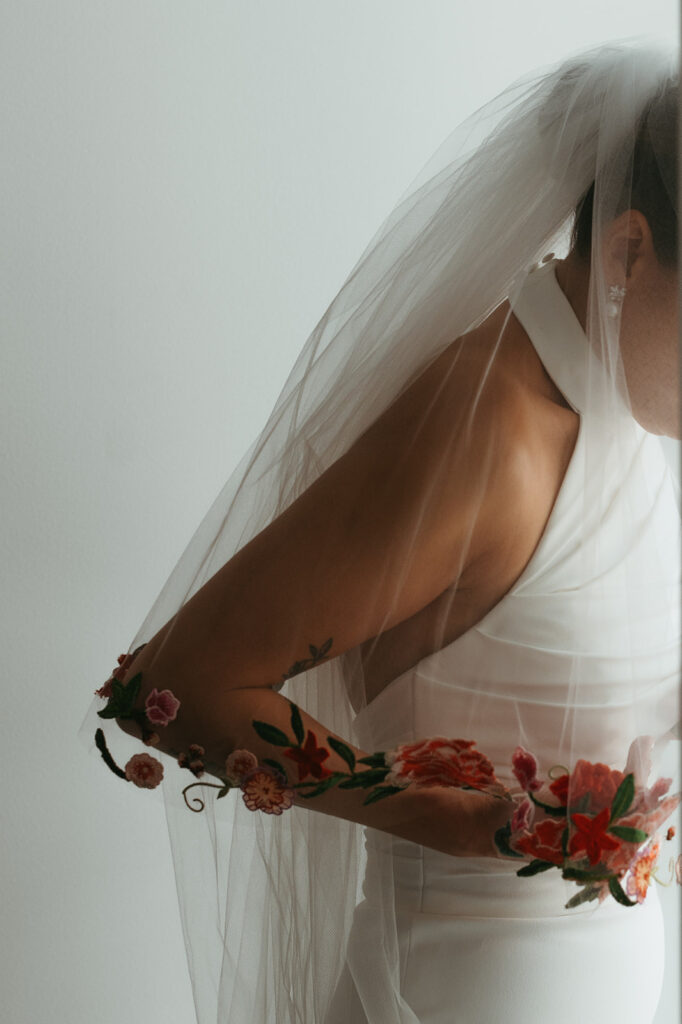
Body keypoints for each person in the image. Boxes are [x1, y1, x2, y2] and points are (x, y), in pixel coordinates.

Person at [78, 35, 681, 1023]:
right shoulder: (484, 433)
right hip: (450, 989)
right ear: (626, 252)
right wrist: (446, 822)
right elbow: (176, 685)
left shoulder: (624, 403)